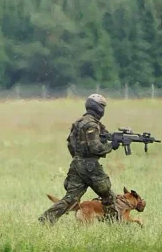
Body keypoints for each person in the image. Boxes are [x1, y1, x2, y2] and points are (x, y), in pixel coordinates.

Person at [38, 93, 119, 224]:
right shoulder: (92, 125)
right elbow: (96, 148)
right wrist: (111, 146)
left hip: (76, 164)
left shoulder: (79, 122)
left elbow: (70, 144)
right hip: (91, 167)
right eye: (102, 106)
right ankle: (115, 224)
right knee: (108, 196)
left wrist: (78, 159)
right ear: (98, 108)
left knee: (71, 199)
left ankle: (46, 219)